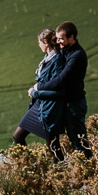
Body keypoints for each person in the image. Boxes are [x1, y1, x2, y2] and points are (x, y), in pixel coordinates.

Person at [32, 21, 93, 160]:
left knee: (79, 142)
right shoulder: (66, 50)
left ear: (71, 38)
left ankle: (90, 172)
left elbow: (61, 80)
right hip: (66, 103)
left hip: (74, 105)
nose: (57, 41)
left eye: (61, 39)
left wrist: (38, 88)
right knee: (65, 140)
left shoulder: (77, 55)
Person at [13, 29, 65, 146]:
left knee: (52, 144)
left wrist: (35, 92)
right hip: (39, 105)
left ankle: (61, 164)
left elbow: (57, 89)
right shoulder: (48, 58)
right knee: (18, 135)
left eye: (39, 42)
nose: (38, 45)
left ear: (46, 43)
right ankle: (26, 163)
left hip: (49, 107)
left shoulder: (57, 61)